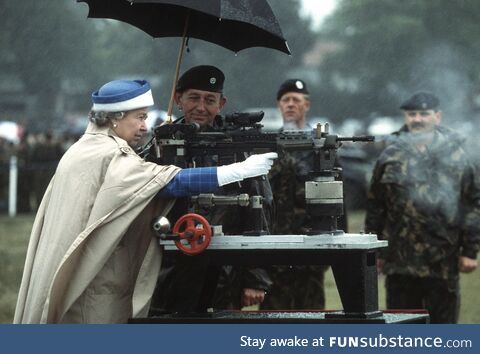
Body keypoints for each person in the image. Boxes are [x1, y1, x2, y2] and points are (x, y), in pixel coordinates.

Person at [13, 79, 277, 323]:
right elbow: (168, 182)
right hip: (96, 283)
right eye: (139, 117)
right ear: (115, 118)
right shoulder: (110, 154)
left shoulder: (86, 148)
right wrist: (238, 171)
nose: (144, 126)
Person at [150, 65, 273, 313]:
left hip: (223, 270)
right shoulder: (161, 146)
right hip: (168, 269)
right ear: (178, 99)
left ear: (221, 104)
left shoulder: (236, 147)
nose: (201, 108)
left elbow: (262, 209)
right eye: (193, 98)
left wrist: (255, 278)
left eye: (209, 100)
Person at [365, 92, 480, 323]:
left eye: (424, 114)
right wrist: (373, 253)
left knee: (442, 332)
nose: (417, 119)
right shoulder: (390, 155)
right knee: (403, 333)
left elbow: (472, 203)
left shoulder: (458, 154)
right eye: (412, 114)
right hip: (399, 262)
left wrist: (470, 251)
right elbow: (376, 206)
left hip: (442, 260)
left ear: (437, 117)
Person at [261, 79, 331, 310]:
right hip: (275, 251)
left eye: (296, 100)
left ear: (307, 105)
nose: (290, 105)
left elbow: (335, 202)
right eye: (285, 100)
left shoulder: (322, 149)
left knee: (313, 321)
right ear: (279, 105)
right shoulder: (268, 148)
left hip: (312, 251)